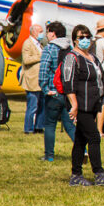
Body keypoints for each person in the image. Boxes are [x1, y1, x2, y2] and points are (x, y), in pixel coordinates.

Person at [63, 25, 104, 186]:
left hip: (92, 104)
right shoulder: (72, 57)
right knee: (94, 137)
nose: (85, 40)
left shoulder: (92, 57)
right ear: (75, 39)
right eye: (81, 37)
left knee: (80, 140)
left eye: (87, 36)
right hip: (81, 105)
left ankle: (76, 175)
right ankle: (98, 173)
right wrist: (74, 105)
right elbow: (68, 82)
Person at [39, 21, 75, 162]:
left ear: (53, 33)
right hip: (67, 93)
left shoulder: (49, 48)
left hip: (53, 92)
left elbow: (44, 70)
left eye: (48, 32)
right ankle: (83, 150)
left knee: (49, 124)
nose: (46, 35)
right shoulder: (70, 48)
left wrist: (45, 88)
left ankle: (49, 155)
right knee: (70, 125)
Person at [20, 23, 45, 135]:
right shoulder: (28, 43)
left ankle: (39, 126)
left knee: (41, 105)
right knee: (32, 106)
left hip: (40, 80)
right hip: (32, 79)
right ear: (33, 32)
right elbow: (26, 60)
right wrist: (41, 56)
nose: (42, 33)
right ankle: (28, 128)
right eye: (40, 31)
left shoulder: (40, 44)